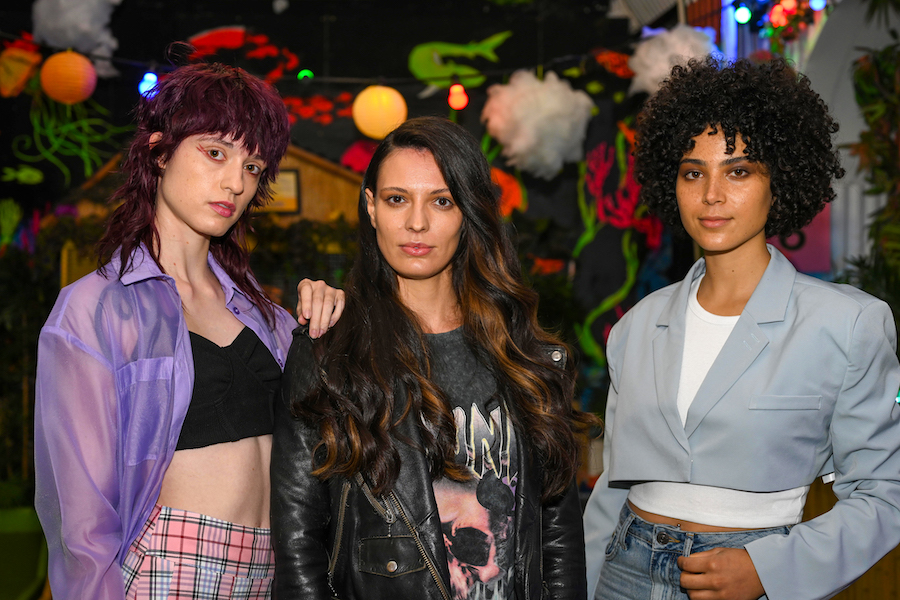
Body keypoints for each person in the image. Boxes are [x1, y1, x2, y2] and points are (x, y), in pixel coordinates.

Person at [582, 56, 900, 600]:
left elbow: (885, 493)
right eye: (693, 172)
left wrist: (769, 568)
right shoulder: (635, 327)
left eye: (739, 171)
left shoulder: (846, 324)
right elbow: (612, 490)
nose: (711, 194)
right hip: (623, 570)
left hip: (750, 574)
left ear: (781, 181)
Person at [34, 61, 342, 599]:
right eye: (215, 152)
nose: (235, 183)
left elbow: (334, 440)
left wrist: (335, 323)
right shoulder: (96, 308)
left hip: (275, 573)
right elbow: (82, 522)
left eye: (252, 166)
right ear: (159, 151)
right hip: (172, 569)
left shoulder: (265, 316)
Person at [271, 116, 596, 600]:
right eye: (397, 199)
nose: (417, 223)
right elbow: (299, 543)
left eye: (441, 201)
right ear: (371, 207)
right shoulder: (330, 353)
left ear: (469, 212)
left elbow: (557, 534)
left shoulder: (524, 357)